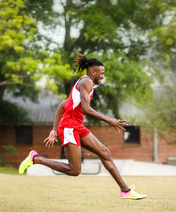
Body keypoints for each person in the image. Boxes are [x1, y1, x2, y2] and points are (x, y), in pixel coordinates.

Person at [19, 53, 147, 200]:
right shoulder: (86, 82)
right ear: (93, 72)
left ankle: (125, 190)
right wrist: (109, 120)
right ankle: (35, 159)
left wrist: (54, 130)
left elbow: (62, 105)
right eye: (102, 73)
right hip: (69, 127)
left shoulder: (84, 83)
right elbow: (86, 108)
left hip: (77, 126)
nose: (103, 77)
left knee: (104, 152)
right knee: (74, 170)